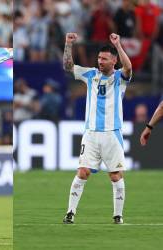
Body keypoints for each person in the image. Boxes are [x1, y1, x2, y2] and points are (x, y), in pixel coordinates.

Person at [62, 32, 132, 224]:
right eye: (99, 58)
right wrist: (68, 45)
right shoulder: (90, 74)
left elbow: (128, 67)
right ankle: (70, 212)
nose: (100, 61)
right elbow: (68, 66)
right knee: (82, 171)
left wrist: (118, 45)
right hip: (91, 133)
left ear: (113, 61)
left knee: (115, 175)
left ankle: (118, 215)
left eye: (104, 59)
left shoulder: (120, 77)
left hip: (112, 133)